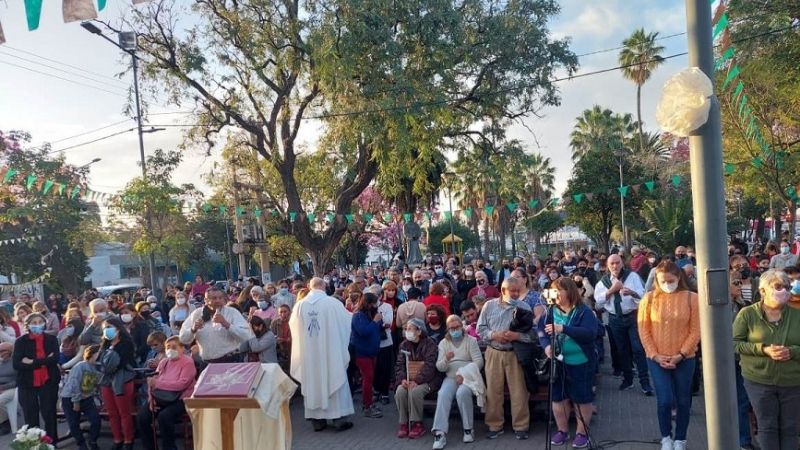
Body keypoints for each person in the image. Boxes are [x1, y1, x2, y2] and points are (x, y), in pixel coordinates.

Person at [733, 269, 800, 450]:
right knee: (767, 427)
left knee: (791, 428)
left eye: (786, 287)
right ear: (763, 290)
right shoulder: (747, 314)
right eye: (778, 286)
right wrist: (762, 350)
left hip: (793, 381)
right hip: (759, 380)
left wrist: (792, 352)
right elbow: (735, 343)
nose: (783, 291)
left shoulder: (797, 315)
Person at [638, 261, 701, 450]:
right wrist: (655, 355)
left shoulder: (692, 298)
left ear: (679, 278)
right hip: (657, 358)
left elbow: (696, 330)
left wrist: (681, 354)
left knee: (683, 401)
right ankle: (665, 437)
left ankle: (680, 439)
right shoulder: (648, 299)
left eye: (670, 280)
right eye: (662, 281)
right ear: (656, 280)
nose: (667, 284)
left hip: (685, 358)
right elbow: (644, 330)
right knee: (664, 400)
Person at [538, 277, 600, 449]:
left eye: (559, 290)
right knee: (558, 397)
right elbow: (541, 331)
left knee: (582, 398)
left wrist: (564, 328)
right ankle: (562, 431)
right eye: (553, 290)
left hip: (581, 361)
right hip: (558, 362)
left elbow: (589, 334)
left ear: (569, 292)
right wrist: (546, 347)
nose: (555, 294)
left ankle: (582, 433)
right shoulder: (550, 310)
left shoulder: (583, 312)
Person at [290, 278, 354, 432]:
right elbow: (348, 322)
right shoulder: (332, 303)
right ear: (324, 286)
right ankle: (338, 419)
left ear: (309, 287)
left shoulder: (300, 306)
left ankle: (317, 422)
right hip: (330, 352)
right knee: (333, 377)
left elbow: (293, 327)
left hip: (309, 355)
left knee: (313, 382)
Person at [476, 276, 532, 440]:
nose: (515, 294)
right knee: (493, 391)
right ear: (503, 291)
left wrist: (517, 336)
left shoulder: (525, 307)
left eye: (518, 291)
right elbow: (480, 329)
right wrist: (494, 335)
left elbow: (532, 335)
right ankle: (495, 425)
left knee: (519, 392)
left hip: (515, 353)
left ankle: (521, 426)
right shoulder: (489, 305)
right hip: (494, 352)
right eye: (512, 291)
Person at [594, 254, 653, 395]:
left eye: (617, 263)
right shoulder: (603, 281)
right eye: (612, 263)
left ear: (622, 263)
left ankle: (645, 383)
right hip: (615, 319)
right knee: (622, 350)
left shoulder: (632, 276)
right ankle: (628, 379)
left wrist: (632, 292)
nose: (615, 266)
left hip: (632, 317)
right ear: (608, 266)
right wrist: (611, 290)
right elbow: (599, 301)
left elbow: (643, 294)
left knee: (638, 349)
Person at [431, 315, 484, 449]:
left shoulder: (470, 341)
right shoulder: (444, 343)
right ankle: (440, 433)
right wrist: (446, 359)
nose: (455, 330)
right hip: (450, 377)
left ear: (462, 326)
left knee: (462, 394)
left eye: (457, 327)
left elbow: (479, 362)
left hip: (468, 378)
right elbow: (440, 367)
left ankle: (468, 429)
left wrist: (464, 374)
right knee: (443, 394)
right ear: (448, 329)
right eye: (451, 328)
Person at [138, 336, 196, 450]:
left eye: (174, 347)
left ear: (182, 348)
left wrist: (158, 384)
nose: (170, 350)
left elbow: (181, 384)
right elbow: (152, 382)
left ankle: (169, 447)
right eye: (168, 347)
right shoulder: (164, 362)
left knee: (164, 417)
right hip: (161, 397)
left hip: (180, 398)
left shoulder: (188, 362)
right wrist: (151, 400)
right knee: (142, 416)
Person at [13, 313, 60, 443]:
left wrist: (31, 362)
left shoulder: (51, 339)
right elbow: (17, 364)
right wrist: (45, 360)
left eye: (40, 322)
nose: (38, 325)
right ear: (28, 325)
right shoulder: (20, 341)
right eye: (34, 322)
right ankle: (34, 444)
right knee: (30, 415)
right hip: (27, 383)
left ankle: (52, 443)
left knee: (49, 413)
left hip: (49, 380)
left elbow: (55, 359)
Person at [394, 318, 441, 439]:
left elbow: (430, 366)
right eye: (405, 329)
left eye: (409, 329)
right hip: (409, 378)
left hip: (429, 380)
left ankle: (417, 423)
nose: (406, 331)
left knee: (415, 391)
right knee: (400, 391)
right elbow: (399, 364)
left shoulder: (430, 344)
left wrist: (417, 380)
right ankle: (404, 423)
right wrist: (402, 379)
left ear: (419, 331)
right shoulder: (404, 344)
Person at [179, 287, 253, 363]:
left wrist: (226, 324)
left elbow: (246, 336)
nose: (218, 301)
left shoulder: (232, 313)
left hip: (231, 360)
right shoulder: (196, 314)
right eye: (214, 298)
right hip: (207, 363)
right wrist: (193, 329)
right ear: (206, 300)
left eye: (220, 298)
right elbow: (183, 339)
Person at [96, 317, 137, 450]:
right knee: (112, 413)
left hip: (122, 380)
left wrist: (107, 366)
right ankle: (117, 438)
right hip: (107, 382)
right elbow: (100, 362)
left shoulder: (126, 344)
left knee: (124, 412)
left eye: (109, 327)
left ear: (118, 329)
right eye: (105, 328)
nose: (107, 330)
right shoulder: (105, 345)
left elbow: (119, 363)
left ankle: (128, 440)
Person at [61, 345, 101, 450]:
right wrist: (76, 401)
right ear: (92, 354)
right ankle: (81, 444)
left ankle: (93, 440)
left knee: (96, 420)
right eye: (98, 353)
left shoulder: (97, 367)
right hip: (70, 398)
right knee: (73, 423)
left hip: (87, 398)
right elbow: (75, 383)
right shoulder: (81, 366)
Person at [351, 292, 384, 418]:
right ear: (368, 303)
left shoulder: (370, 314)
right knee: (367, 378)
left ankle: (369, 403)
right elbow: (363, 331)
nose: (376, 305)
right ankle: (367, 406)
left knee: (370, 378)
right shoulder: (358, 316)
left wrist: (379, 321)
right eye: (374, 303)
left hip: (372, 351)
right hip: (362, 352)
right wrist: (375, 322)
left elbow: (376, 329)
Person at [374, 284, 396, 405]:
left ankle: (385, 392)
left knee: (385, 368)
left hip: (385, 342)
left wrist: (376, 323)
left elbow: (388, 323)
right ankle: (376, 390)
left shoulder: (387, 307)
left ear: (381, 296)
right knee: (375, 368)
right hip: (373, 343)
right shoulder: (368, 307)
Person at [0, 342, 18, 434]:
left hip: (12, 388)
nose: (1, 353)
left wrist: (3, 387)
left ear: (10, 351)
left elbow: (18, 381)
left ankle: (5, 423)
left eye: (3, 351)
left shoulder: (15, 362)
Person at [270, 304, 292, 373]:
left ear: (289, 312)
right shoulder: (274, 322)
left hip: (291, 349)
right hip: (279, 350)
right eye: (281, 312)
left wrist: (290, 339)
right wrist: (276, 339)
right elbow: (270, 336)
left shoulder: (293, 321)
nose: (283, 314)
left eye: (285, 312)